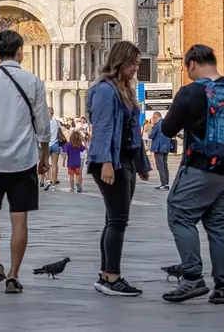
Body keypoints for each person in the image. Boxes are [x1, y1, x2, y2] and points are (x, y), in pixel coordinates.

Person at [159, 43, 224, 305]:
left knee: (180, 214)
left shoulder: (190, 93)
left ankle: (192, 278)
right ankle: (222, 286)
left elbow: (167, 129)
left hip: (201, 167)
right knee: (221, 227)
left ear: (191, 64)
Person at [0, 30, 49, 294]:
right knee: (19, 218)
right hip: (24, 158)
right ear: (20, 51)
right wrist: (45, 156)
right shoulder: (34, 82)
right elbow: (43, 124)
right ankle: (14, 276)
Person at [87, 40, 151, 298]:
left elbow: (131, 131)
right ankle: (111, 277)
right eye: (133, 63)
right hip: (111, 162)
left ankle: (106, 274)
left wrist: (141, 164)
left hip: (124, 160)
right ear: (120, 62)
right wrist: (106, 163)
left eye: (137, 63)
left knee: (114, 219)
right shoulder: (105, 90)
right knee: (117, 220)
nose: (136, 67)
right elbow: (103, 128)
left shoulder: (124, 89)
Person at [148, 110, 174, 191]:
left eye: (153, 118)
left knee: (160, 166)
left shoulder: (157, 124)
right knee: (165, 165)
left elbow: (151, 136)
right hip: (166, 147)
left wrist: (151, 131)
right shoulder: (166, 123)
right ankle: (166, 183)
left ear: (155, 117)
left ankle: (163, 183)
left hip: (158, 148)